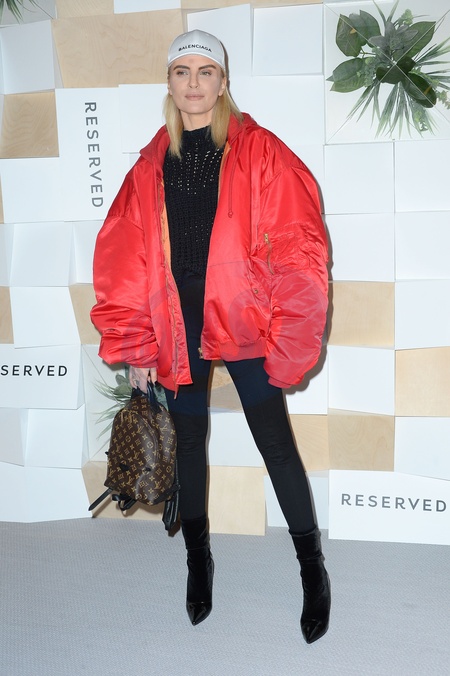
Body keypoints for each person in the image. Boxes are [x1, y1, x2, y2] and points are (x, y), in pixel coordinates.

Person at [91, 29, 330, 644]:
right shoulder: (150, 165)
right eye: (182, 72)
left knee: (275, 443)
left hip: (245, 319)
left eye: (205, 72)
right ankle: (198, 562)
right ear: (169, 83)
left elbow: (298, 244)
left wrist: (289, 334)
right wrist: (137, 343)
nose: (193, 84)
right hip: (178, 323)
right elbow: (125, 258)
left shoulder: (260, 151)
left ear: (223, 83)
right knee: (190, 443)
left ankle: (312, 567)